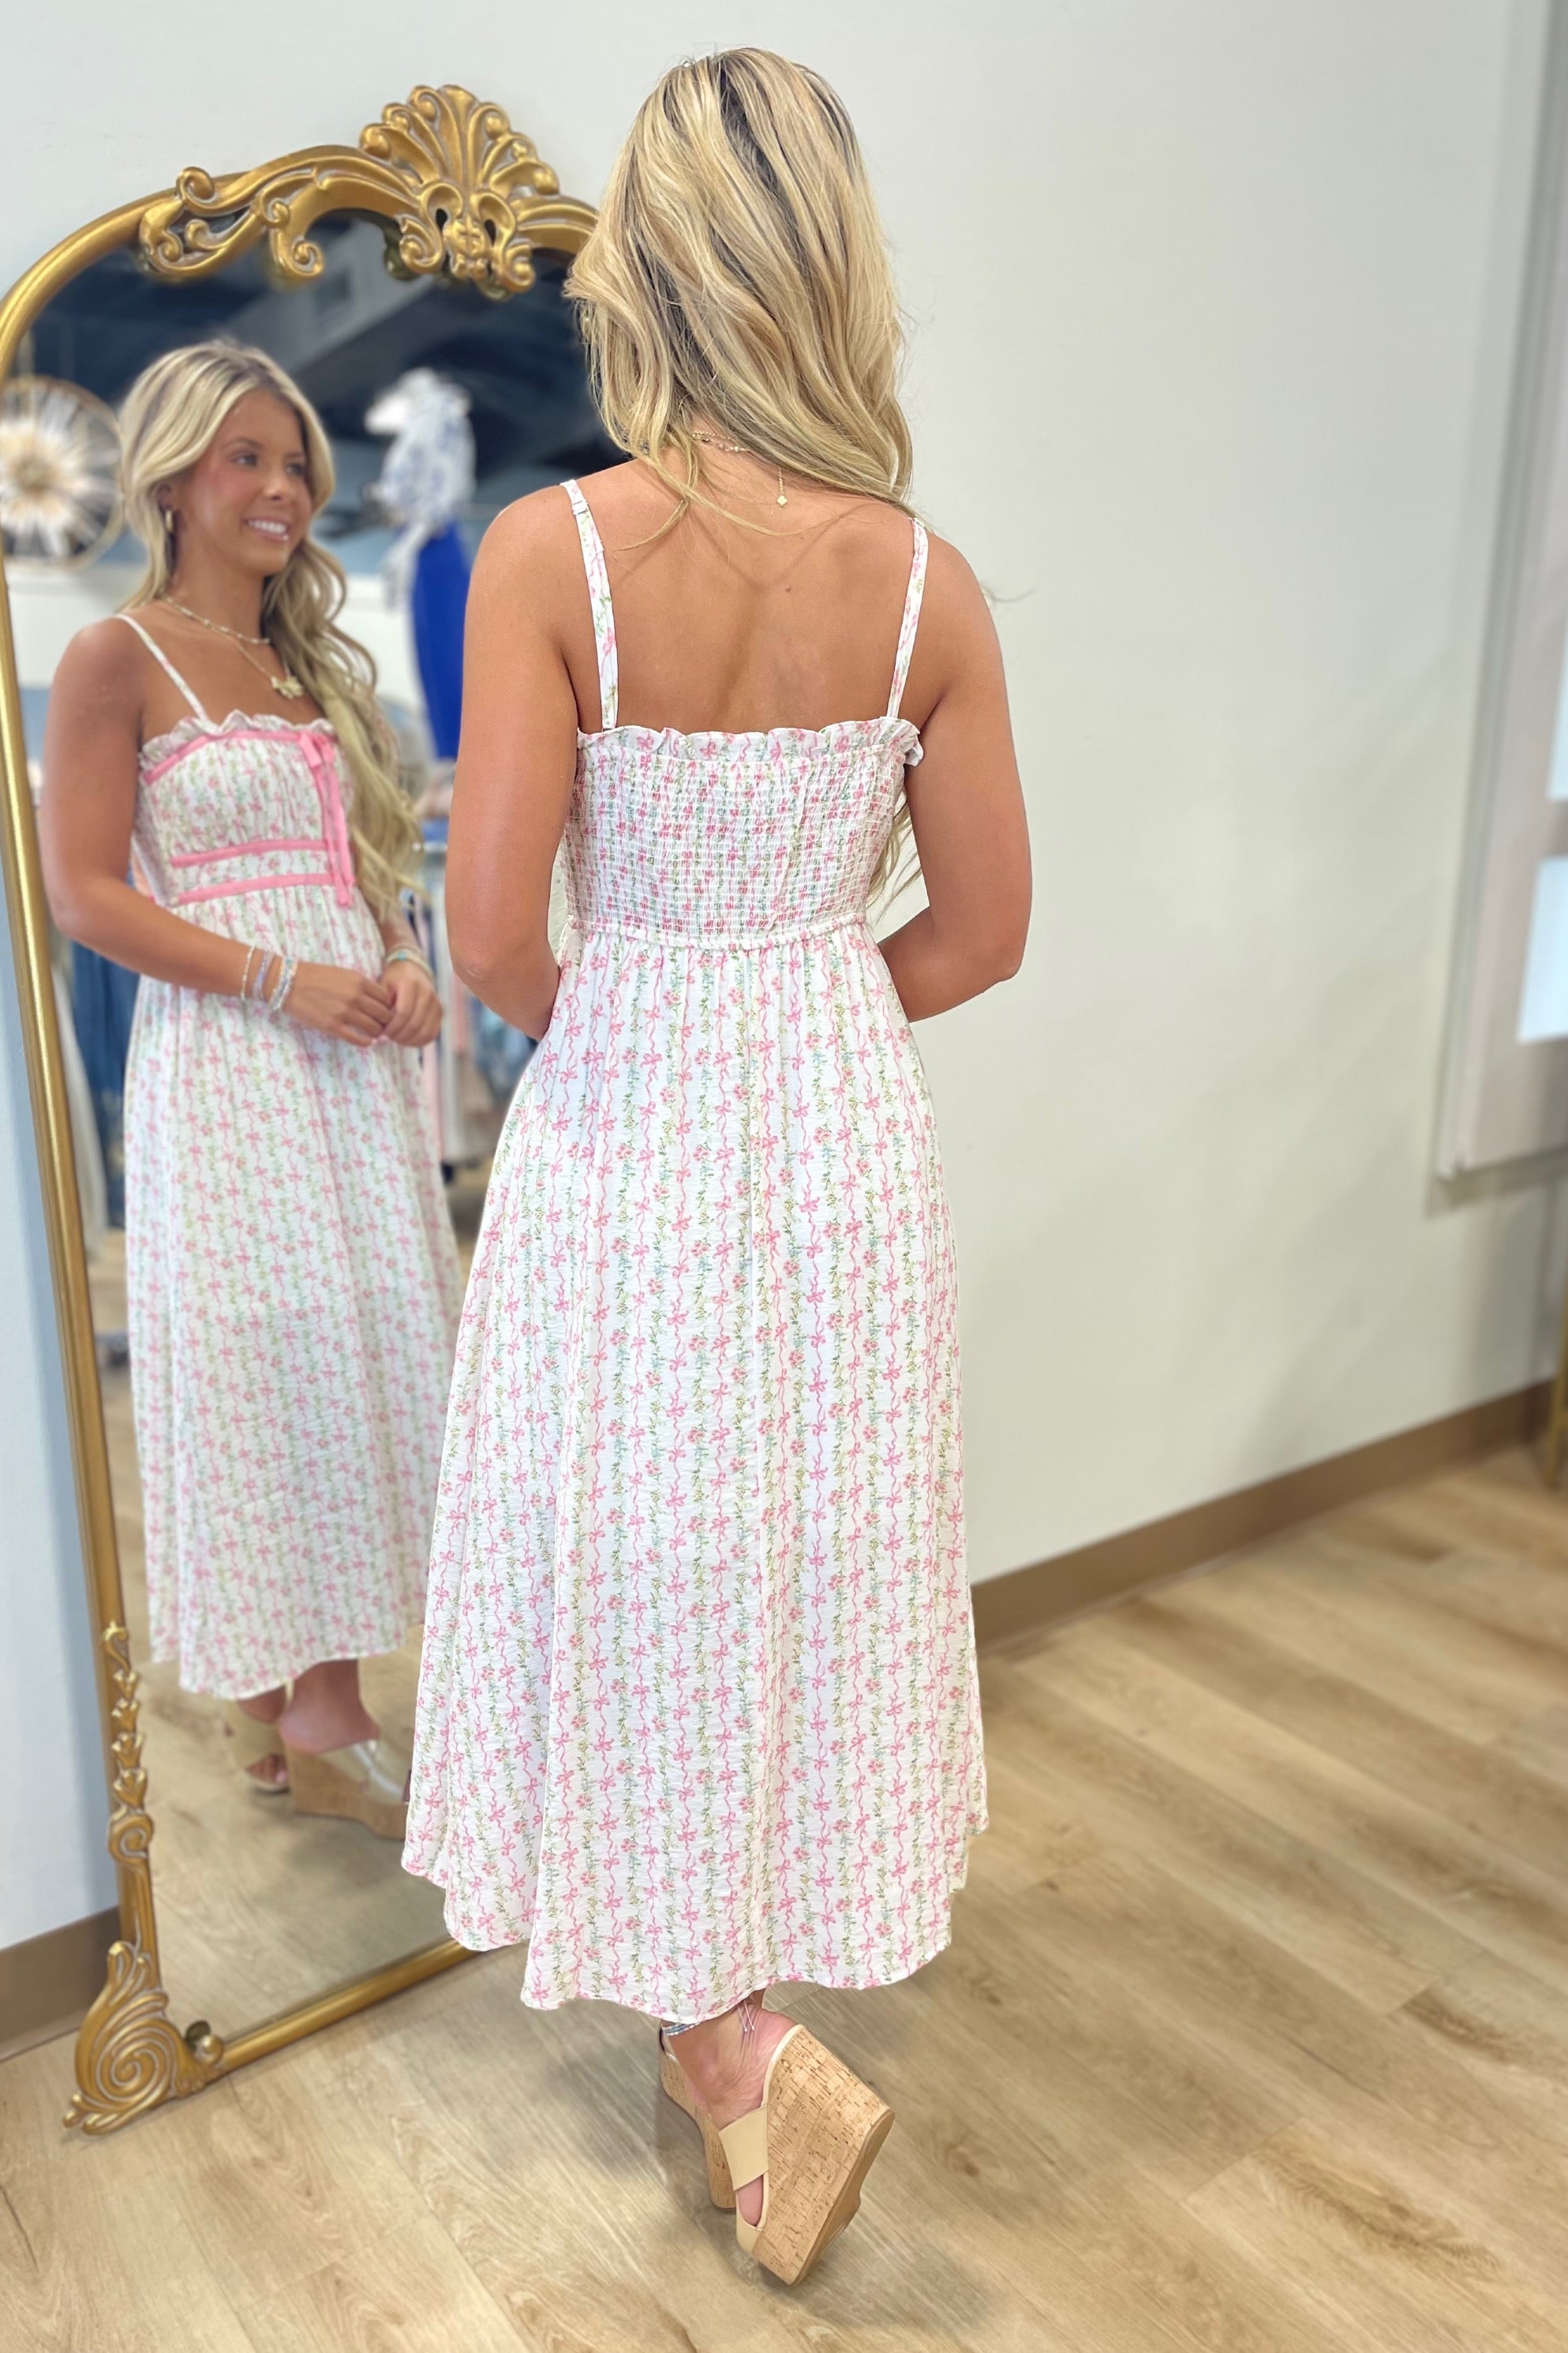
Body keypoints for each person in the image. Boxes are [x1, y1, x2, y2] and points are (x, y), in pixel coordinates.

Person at [404, 50, 1030, 2280]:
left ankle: (733, 2045)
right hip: (838, 1144)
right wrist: (807, 1016)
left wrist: (661, 1021)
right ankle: (741, 2035)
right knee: (807, 1555)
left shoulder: (553, 552)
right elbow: (981, 929)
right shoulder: (926, 585)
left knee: (642, 1562)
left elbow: (494, 933)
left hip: (628, 1130)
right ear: (833, 266)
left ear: (644, 268)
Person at [40, 342, 463, 1837]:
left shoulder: (311, 672)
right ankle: (306, 1705)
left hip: (352, 1060)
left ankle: (290, 1695)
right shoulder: (116, 657)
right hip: (230, 1064)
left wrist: (402, 958)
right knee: (268, 1362)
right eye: (248, 458)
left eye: (297, 464)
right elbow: (85, 895)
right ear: (171, 477)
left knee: (361, 1344)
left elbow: (371, 870)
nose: (283, 488)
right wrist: (284, 979)